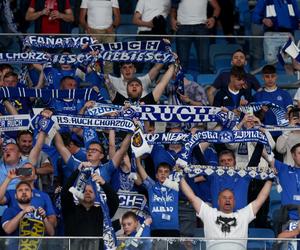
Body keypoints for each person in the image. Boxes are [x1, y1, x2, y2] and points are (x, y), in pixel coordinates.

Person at [180, 176, 273, 249]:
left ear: (234, 201)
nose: (227, 200)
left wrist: (270, 179)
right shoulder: (209, 213)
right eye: (224, 197)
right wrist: (180, 177)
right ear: (218, 201)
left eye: (230, 198)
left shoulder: (243, 215)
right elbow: (192, 197)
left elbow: (260, 199)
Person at [170, 0, 220, 73]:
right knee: (182, 62)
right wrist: (172, 19)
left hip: (201, 27)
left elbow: (217, 8)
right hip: (183, 26)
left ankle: (206, 84)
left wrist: (213, 18)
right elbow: (173, 8)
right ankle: (181, 83)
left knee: (204, 62)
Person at [252, 0, 300, 64]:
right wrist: (263, 20)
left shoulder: (292, 1)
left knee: (290, 62)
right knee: (270, 61)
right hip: (271, 35)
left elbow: (298, 16)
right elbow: (254, 16)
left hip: (288, 35)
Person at [79, 0, 121, 74]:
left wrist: (113, 26)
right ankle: (94, 83)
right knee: (92, 59)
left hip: (109, 32)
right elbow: (81, 18)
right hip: (92, 32)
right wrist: (87, 29)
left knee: (108, 60)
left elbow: (118, 17)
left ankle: (108, 83)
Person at [253, 65, 293, 139]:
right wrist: (262, 112)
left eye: (272, 76)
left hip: (283, 133)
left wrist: (289, 114)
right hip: (264, 133)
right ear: (263, 77)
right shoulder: (257, 96)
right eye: (267, 76)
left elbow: (290, 111)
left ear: (276, 77)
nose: (270, 79)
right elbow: (255, 119)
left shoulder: (285, 94)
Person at [107, 63, 176, 105]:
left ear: (142, 88)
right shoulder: (120, 101)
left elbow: (163, 83)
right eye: (131, 85)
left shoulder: (148, 100)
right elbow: (104, 79)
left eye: (137, 85)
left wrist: (173, 64)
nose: (134, 87)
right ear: (127, 89)